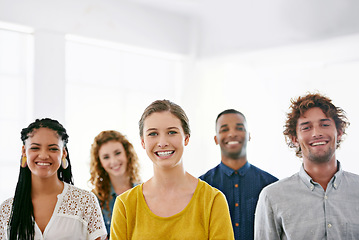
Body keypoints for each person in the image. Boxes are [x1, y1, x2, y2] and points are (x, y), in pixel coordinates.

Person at [110, 100, 234, 239]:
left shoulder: (213, 201)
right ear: (143, 142)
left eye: (172, 132)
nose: (163, 143)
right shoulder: (125, 205)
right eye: (153, 134)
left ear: (186, 138)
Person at [254, 93, 359, 239]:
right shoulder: (272, 197)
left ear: (339, 132)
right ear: (294, 139)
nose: (317, 133)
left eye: (325, 124)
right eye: (306, 127)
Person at [0, 118, 107, 240]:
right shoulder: (7, 209)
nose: (44, 155)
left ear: (63, 153)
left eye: (53, 149)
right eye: (35, 148)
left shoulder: (85, 201)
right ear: (24, 151)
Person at [199, 109, 278, 240]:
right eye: (224, 129)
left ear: (249, 135)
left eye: (239, 128)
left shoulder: (271, 185)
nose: (232, 133)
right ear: (216, 139)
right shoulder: (202, 186)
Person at [89, 130, 141, 238]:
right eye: (106, 157)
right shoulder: (94, 200)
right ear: (100, 163)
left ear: (127, 153)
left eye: (118, 153)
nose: (113, 161)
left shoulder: (145, 192)